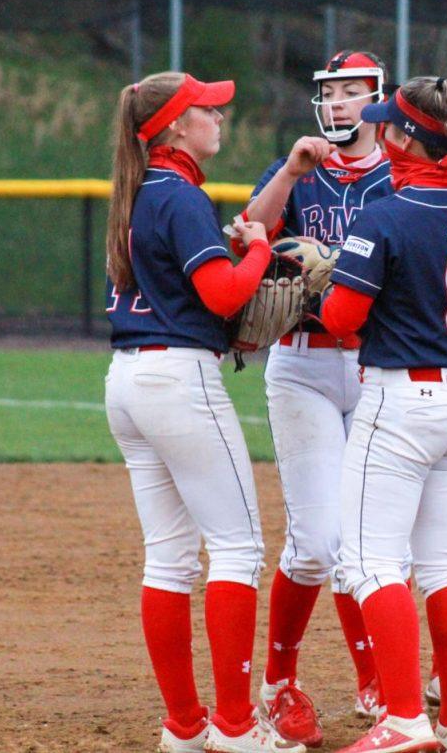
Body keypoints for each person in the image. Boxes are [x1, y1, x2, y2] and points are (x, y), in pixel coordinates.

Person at [102, 71, 303, 753]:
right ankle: (237, 725)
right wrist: (253, 251)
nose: (219, 116)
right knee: (240, 548)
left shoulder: (137, 192)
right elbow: (222, 294)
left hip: (127, 382)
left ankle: (185, 725)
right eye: (207, 109)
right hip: (178, 382)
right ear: (176, 127)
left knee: (167, 560)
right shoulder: (181, 195)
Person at [321, 75, 447, 753]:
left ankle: (402, 717)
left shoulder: (385, 216)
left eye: (386, 125)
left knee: (370, 562)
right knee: (446, 564)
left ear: (404, 139)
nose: (376, 130)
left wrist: (325, 275)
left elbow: (343, 320)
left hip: (403, 401)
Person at [237, 51, 393, 747]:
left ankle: (375, 680)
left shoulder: (403, 170)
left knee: (372, 540)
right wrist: (292, 175)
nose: (338, 105)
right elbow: (249, 229)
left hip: (377, 367)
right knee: (317, 543)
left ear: (380, 100)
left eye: (353, 93)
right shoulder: (298, 166)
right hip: (301, 364)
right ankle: (280, 683)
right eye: (330, 93)